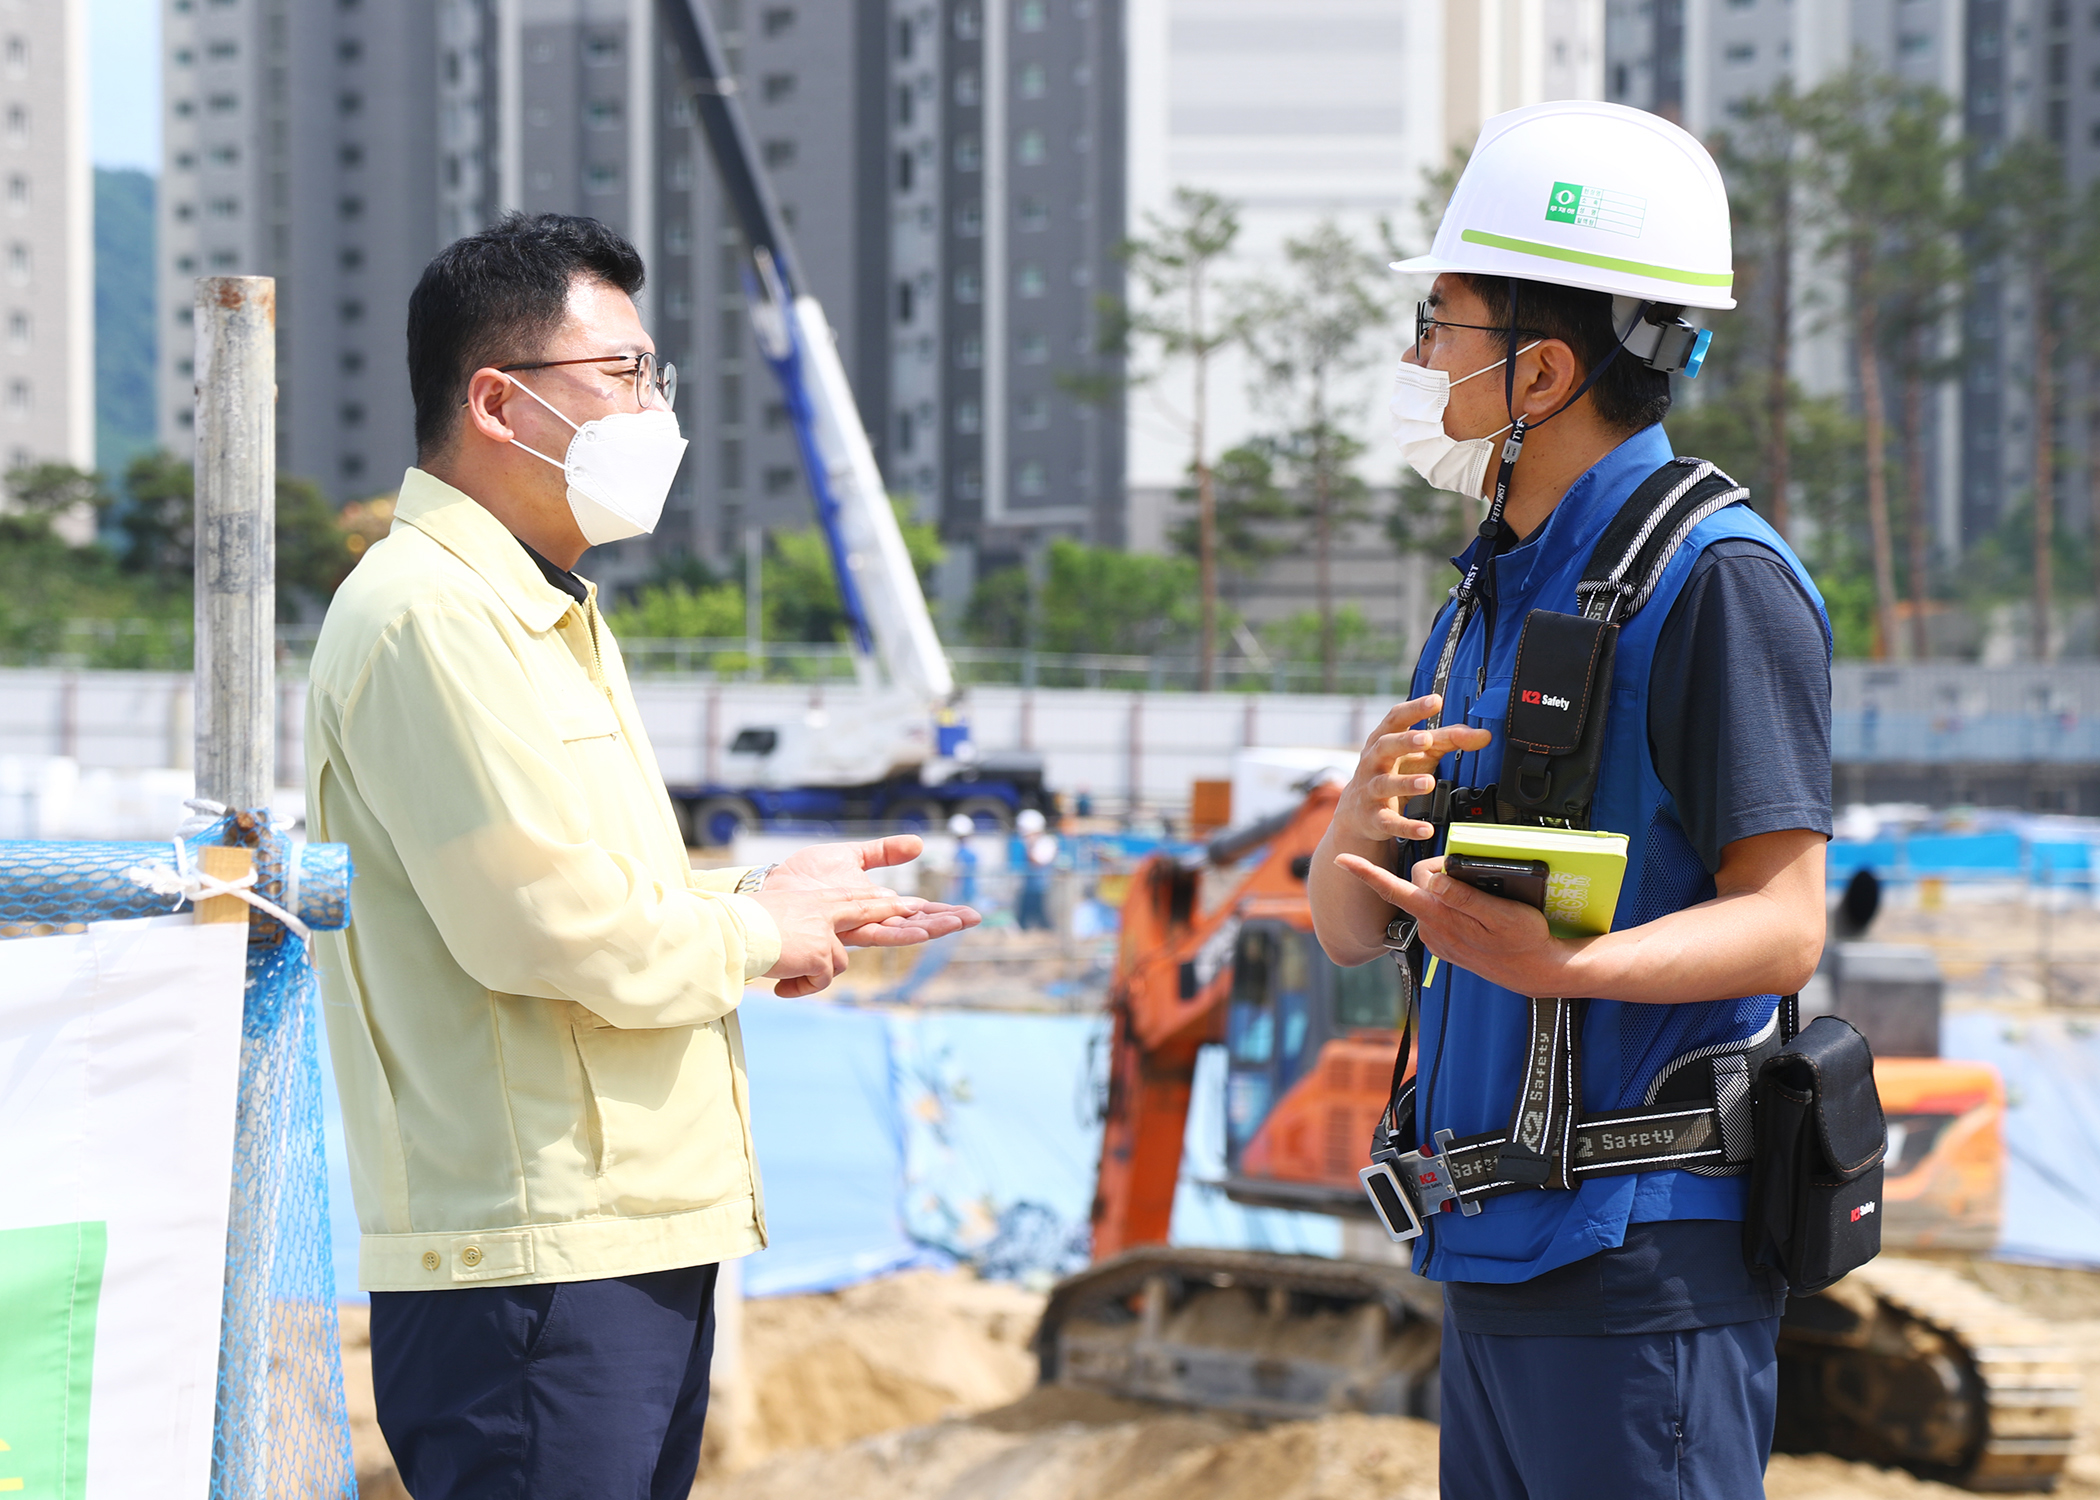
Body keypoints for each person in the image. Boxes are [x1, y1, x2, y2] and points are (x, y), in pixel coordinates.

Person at [303, 212, 978, 1500]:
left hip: (611, 1244)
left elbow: (585, 889)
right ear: (498, 403)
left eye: (652, 376)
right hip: (535, 1262)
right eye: (621, 375)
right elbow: (543, 932)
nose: (654, 409)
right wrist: (756, 934)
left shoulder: (541, 604)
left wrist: (762, 899)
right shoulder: (430, 614)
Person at [1307, 102, 1831, 1500]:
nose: (1418, 362)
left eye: (1441, 327)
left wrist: (1569, 966)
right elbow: (1357, 934)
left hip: (1641, 1262)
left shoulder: (1717, 581)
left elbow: (1784, 926)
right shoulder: (1488, 587)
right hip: (1491, 1241)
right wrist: (1351, 840)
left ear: (1539, 370)